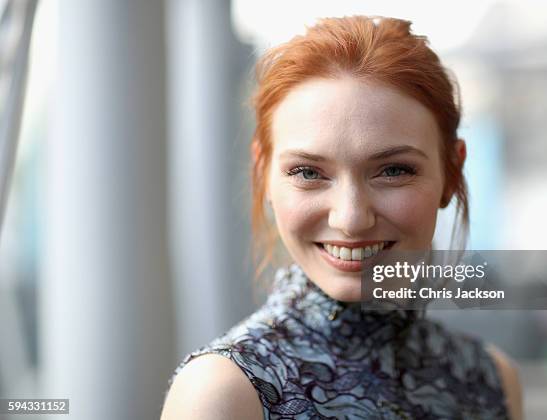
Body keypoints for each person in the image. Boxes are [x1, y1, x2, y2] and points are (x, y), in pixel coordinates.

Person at [161, 15, 523, 420]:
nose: (351, 219)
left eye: (393, 170)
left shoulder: (491, 379)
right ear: (263, 174)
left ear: (452, 174)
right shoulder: (223, 394)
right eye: (308, 172)